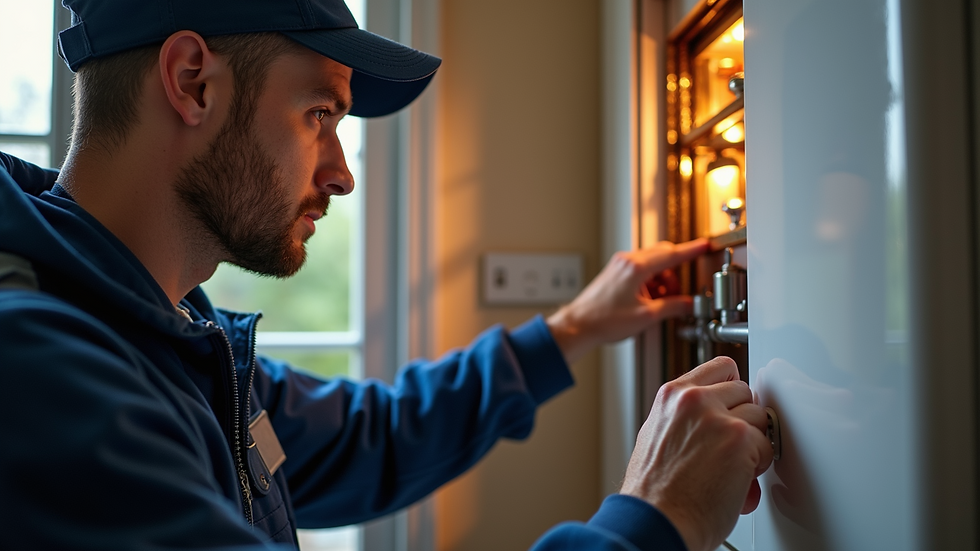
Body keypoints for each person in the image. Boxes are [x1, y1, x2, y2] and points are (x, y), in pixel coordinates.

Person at [0, 0, 772, 549]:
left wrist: (575, 328)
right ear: (193, 80)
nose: (342, 174)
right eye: (320, 115)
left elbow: (373, 437)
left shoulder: (169, 332)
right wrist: (655, 518)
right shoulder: (41, 372)